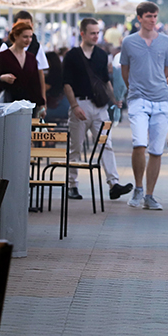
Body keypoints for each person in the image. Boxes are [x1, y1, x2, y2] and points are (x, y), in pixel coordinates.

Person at [62, 18, 133, 202]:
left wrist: (114, 99)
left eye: (97, 33)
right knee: (75, 146)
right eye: (92, 33)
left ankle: (113, 183)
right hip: (80, 104)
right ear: (82, 33)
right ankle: (72, 184)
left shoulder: (101, 55)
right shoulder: (72, 56)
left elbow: (105, 81)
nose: (95, 36)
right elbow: (67, 84)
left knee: (105, 143)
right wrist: (74, 106)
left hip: (99, 107)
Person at [120, 1, 168, 210]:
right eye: (149, 16)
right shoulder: (129, 42)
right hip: (138, 97)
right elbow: (125, 70)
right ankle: (139, 187)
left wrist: (155, 82)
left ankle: (150, 194)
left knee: (157, 150)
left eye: (155, 16)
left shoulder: (166, 41)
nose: (152, 20)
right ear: (139, 18)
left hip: (160, 98)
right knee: (139, 143)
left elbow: (166, 70)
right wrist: (133, 88)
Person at [0, 21, 47, 117]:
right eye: (25, 37)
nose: (28, 40)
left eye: (30, 37)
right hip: (8, 106)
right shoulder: (3, 56)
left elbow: (36, 83)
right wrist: (2, 78)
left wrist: (41, 104)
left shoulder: (31, 58)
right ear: (16, 36)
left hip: (28, 107)